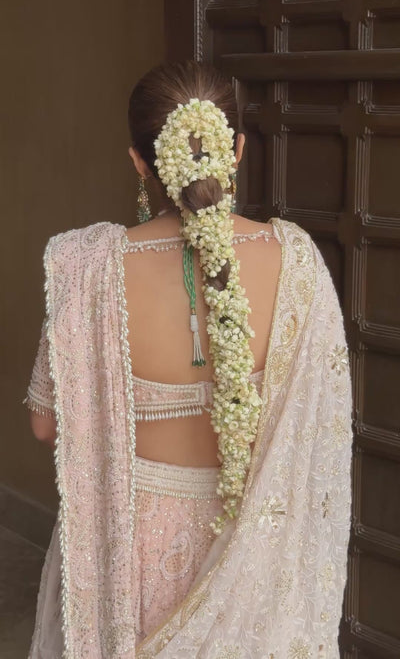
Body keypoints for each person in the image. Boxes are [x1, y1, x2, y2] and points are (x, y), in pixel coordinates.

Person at [23, 60, 353, 658]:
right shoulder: (296, 261)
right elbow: (321, 432)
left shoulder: (88, 268)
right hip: (253, 551)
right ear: (238, 150)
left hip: (134, 555)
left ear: (139, 162)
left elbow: (45, 425)